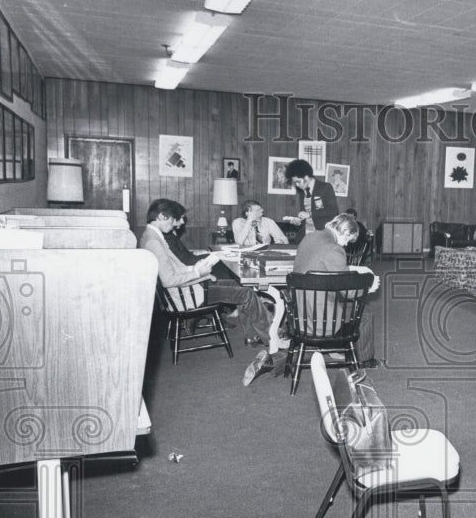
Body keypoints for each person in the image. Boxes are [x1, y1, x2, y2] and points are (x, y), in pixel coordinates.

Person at [138, 199, 279, 386]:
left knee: (240, 286)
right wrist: (198, 273)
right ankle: (273, 337)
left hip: (188, 288)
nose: (176, 224)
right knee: (246, 293)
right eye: (173, 220)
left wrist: (200, 272)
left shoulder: (150, 236)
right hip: (187, 295)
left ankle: (254, 335)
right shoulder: (154, 241)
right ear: (162, 217)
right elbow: (169, 279)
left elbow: (175, 267)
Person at [292, 213, 379, 366]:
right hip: (320, 319)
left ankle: (331, 349)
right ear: (345, 232)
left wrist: (350, 269)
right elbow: (349, 292)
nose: (345, 245)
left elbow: (322, 267)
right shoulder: (335, 249)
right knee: (365, 313)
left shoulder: (310, 238)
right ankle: (366, 360)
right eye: (347, 239)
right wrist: (368, 287)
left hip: (299, 314)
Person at [281, 158, 339, 239]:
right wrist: (299, 221)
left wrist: (310, 214)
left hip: (323, 235)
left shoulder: (325, 187)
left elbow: (333, 210)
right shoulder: (302, 192)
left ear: (306, 177)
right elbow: (307, 216)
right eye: (295, 183)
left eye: (298, 181)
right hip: (307, 235)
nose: (297, 185)